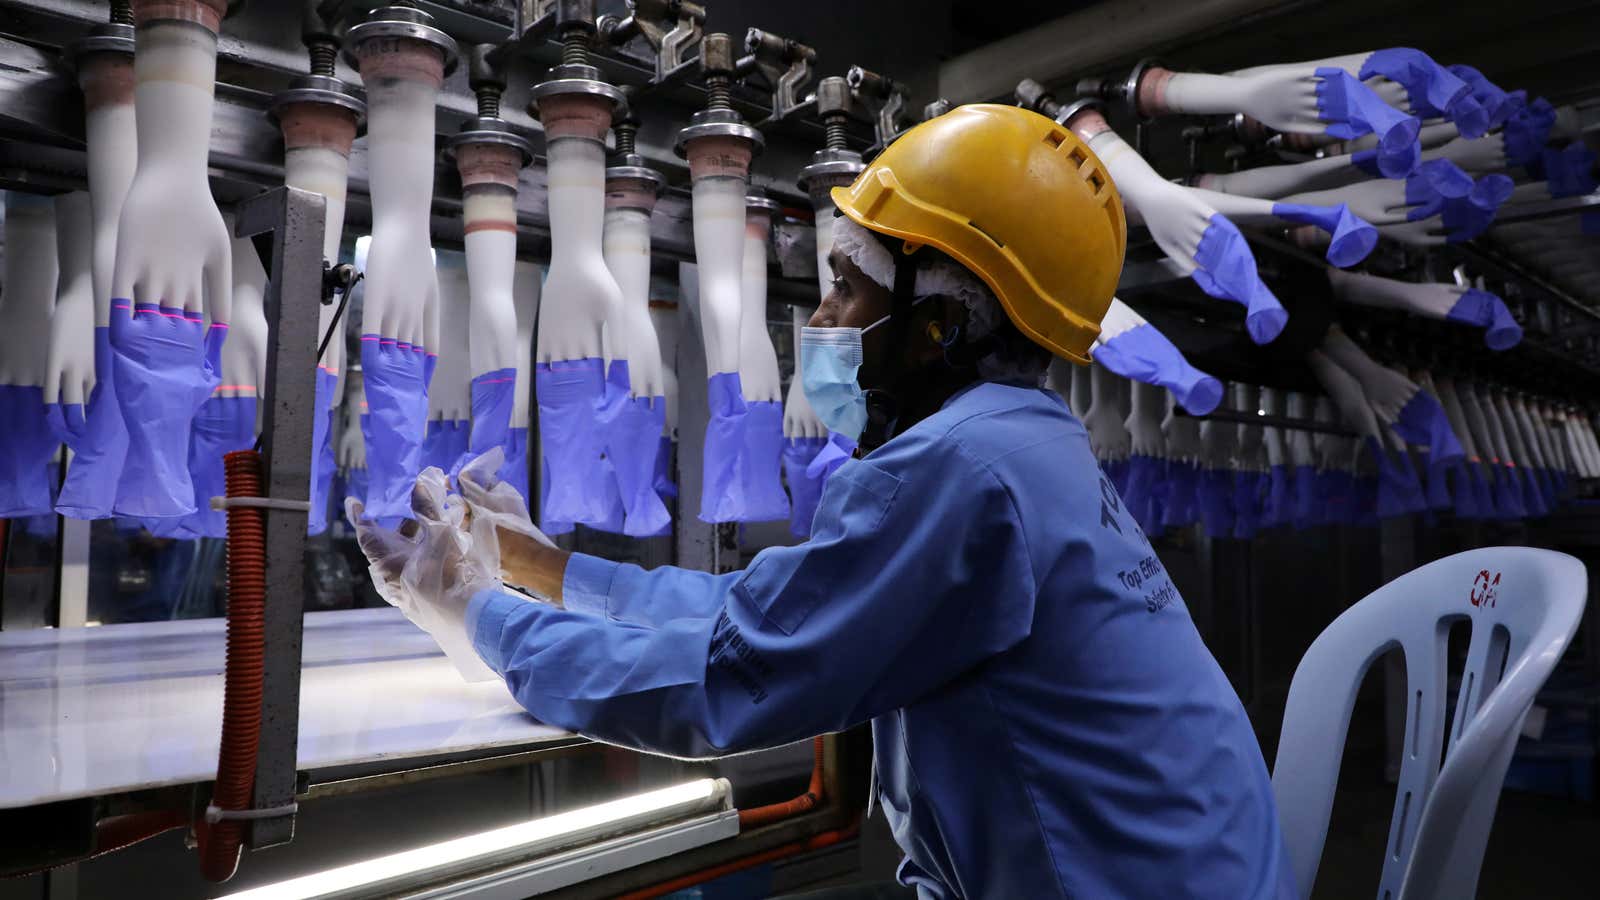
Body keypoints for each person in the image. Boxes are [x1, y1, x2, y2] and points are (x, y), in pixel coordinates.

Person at [350, 104, 1296, 899]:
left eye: (847, 284)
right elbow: (763, 613)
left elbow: (727, 684)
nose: (821, 319)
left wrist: (480, 617)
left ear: (938, 324)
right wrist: (535, 565)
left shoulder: (958, 471)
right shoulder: (1020, 444)